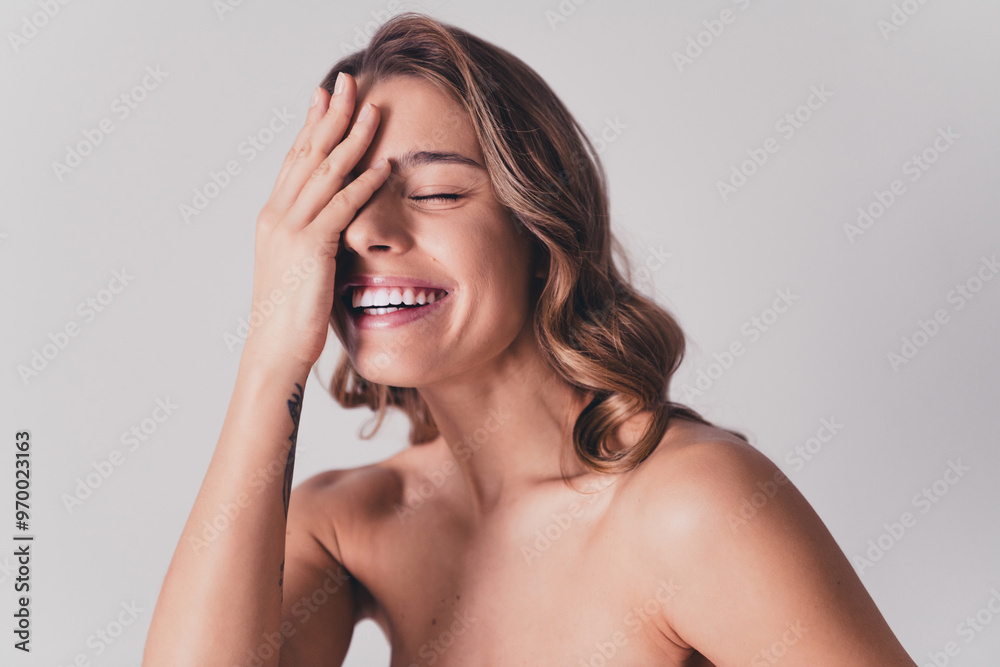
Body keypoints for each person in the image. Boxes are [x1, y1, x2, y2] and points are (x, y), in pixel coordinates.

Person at [142, 12, 917, 666]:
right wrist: (270, 351)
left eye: (436, 191)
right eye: (340, 205)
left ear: (539, 230)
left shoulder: (692, 505)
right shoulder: (352, 525)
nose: (368, 233)